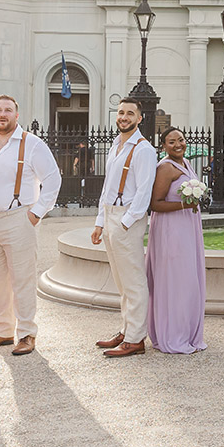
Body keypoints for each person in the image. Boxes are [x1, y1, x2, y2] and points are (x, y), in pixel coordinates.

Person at [0, 95, 62, 356]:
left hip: (19, 219)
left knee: (22, 280)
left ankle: (27, 334)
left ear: (16, 115)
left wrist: (37, 213)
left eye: (8, 110)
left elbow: (53, 179)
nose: (2, 114)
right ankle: (3, 330)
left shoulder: (31, 144)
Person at [90, 99, 157, 357]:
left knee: (134, 281)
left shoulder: (143, 149)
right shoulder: (115, 146)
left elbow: (144, 190)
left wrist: (127, 222)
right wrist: (99, 222)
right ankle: (127, 329)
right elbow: (107, 187)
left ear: (139, 118)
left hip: (126, 219)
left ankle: (136, 339)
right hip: (110, 215)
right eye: (121, 112)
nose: (124, 117)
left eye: (130, 113)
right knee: (121, 281)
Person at [145, 127, 207, 354]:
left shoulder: (185, 163)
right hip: (171, 231)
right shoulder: (165, 168)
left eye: (180, 139)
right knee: (175, 281)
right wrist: (185, 204)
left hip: (187, 228)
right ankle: (172, 334)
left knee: (187, 279)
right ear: (164, 146)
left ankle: (187, 332)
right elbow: (156, 204)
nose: (178, 144)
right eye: (171, 142)